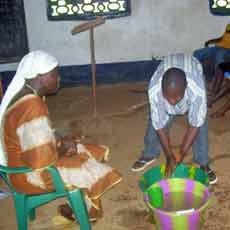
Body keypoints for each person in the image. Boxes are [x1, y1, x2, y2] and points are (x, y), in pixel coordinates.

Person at [0, 50, 122, 222]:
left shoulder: (29, 96)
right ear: (41, 77)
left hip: (28, 161)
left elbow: (40, 133)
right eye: (55, 75)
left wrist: (60, 140)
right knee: (88, 165)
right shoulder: (31, 106)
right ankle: (83, 211)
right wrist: (62, 149)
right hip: (28, 175)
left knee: (92, 150)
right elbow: (40, 161)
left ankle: (78, 203)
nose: (59, 79)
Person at [131, 53, 217, 185]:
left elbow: (195, 124)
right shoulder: (154, 90)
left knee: (201, 122)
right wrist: (169, 156)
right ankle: (149, 154)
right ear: (161, 89)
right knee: (155, 122)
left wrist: (182, 152)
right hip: (168, 69)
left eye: (177, 97)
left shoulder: (197, 90)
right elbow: (159, 126)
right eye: (168, 97)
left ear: (186, 87)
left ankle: (203, 162)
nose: (172, 102)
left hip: (192, 67)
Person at [193, 23, 230, 100]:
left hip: (227, 50)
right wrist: (210, 41)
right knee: (197, 53)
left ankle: (215, 91)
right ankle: (201, 81)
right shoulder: (229, 25)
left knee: (220, 58)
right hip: (218, 47)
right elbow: (222, 38)